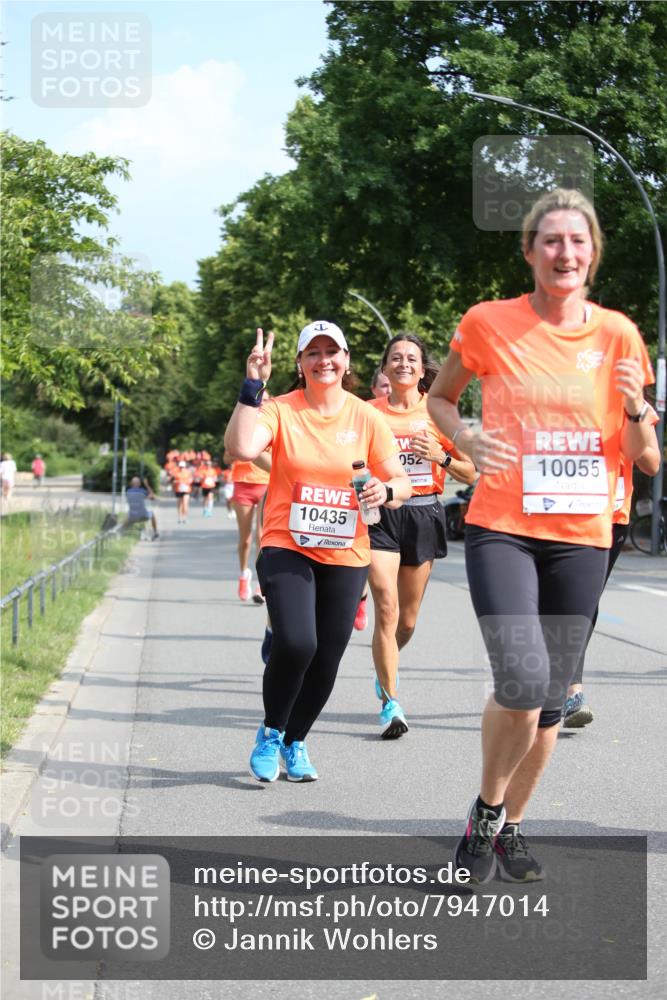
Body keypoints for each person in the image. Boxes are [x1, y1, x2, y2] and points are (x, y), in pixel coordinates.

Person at [427, 188, 655, 883]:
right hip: (503, 525)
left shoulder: (617, 333)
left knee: (551, 699)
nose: (564, 252)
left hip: (583, 533)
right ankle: (486, 814)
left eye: (576, 241)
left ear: (592, 254)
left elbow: (645, 457)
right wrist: (464, 432)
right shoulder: (487, 322)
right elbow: (440, 397)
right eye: (550, 240)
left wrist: (636, 405)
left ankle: (506, 826)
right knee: (522, 681)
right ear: (529, 252)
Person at [224, 321, 410, 782]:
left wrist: (384, 493)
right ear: (300, 363)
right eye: (313, 352)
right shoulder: (279, 409)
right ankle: (271, 730)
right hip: (287, 543)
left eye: (333, 352)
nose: (324, 359)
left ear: (347, 361)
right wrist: (253, 385)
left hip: (347, 551)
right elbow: (239, 446)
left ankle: (296, 740)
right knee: (296, 642)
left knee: (327, 657)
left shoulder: (367, 417)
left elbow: (402, 482)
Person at [367, 334, 476, 737]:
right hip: (379, 512)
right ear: (384, 367)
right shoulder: (367, 412)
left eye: (411, 358)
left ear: (421, 366)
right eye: (395, 357)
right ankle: (391, 704)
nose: (404, 364)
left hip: (423, 512)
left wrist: (440, 457)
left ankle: (385, 662)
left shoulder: (436, 412)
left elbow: (472, 472)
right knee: (386, 608)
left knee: (407, 622)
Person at [563, 417, 660, 726]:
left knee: (584, 600)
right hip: (561, 512)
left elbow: (652, 464)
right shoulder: (569, 388)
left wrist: (632, 427)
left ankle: (571, 690)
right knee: (554, 600)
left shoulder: (635, 406)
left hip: (611, 518)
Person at [352, 365, 395, 632]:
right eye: (383, 386)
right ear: (374, 390)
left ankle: (361, 594)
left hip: (402, 500)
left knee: (405, 613)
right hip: (368, 500)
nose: (388, 390)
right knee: (387, 601)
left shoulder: (421, 412)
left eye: (391, 385)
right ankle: (361, 594)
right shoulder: (364, 413)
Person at [224, 452, 270, 602]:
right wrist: (239, 452)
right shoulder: (241, 430)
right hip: (242, 485)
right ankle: (244, 574)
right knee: (245, 540)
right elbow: (226, 458)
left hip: (266, 484)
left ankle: (260, 583)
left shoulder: (271, 429)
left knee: (261, 536)